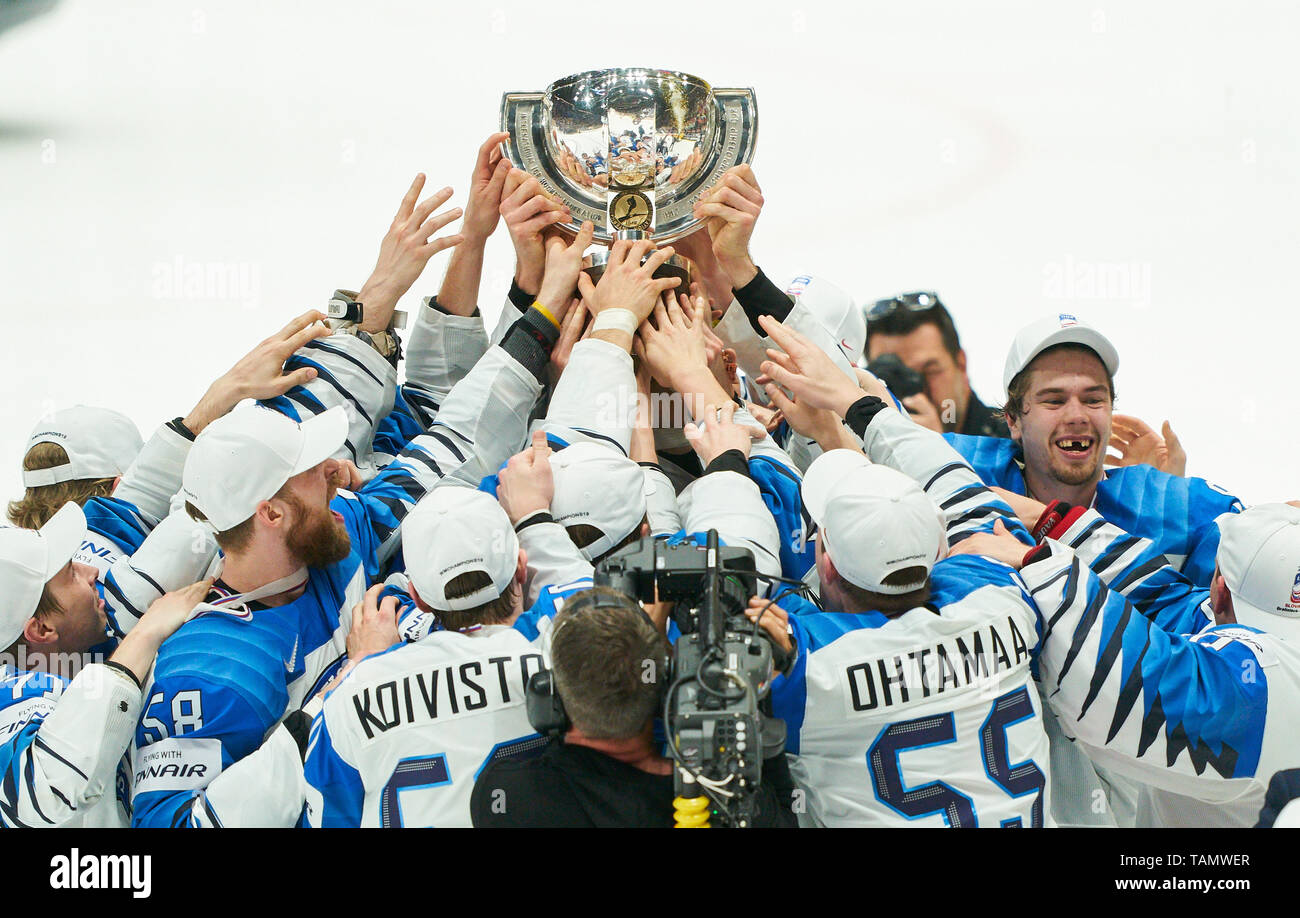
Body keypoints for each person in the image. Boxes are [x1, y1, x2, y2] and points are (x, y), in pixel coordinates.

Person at [962, 494, 1300, 828]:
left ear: (1220, 590)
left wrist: (1036, 561)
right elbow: (1169, 603)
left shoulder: (1248, 690)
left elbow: (1113, 676)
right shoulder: (1263, 657)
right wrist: (1054, 522)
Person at [0, 503, 301, 828]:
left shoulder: (83, 640)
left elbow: (181, 525)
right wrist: (145, 634)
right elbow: (41, 795)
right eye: (71, 574)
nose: (92, 572)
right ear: (41, 629)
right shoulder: (10, 698)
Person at [944, 313, 1241, 587]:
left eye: (1093, 400)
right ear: (1013, 421)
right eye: (1054, 400)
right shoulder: (962, 467)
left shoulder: (1171, 503)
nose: (1078, 416)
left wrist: (1164, 488)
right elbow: (898, 429)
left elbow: (1268, 541)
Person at [470, 586, 798, 828]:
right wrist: (756, 687)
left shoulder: (506, 796)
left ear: (549, 698)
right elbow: (785, 813)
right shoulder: (724, 802)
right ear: (666, 691)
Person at [865, 291, 1009, 438]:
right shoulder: (855, 451)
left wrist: (939, 450)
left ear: (961, 365)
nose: (913, 389)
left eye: (928, 371)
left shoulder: (1014, 443)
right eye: (890, 375)